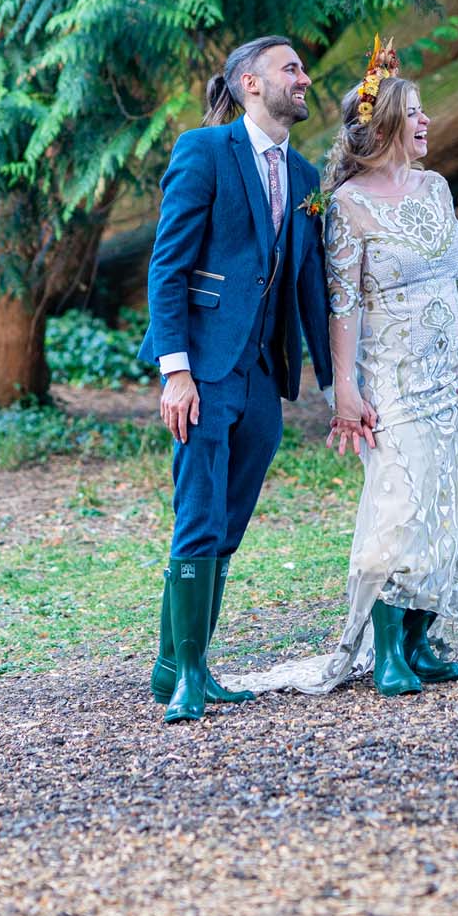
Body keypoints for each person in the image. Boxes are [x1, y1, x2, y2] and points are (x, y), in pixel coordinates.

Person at [225, 40, 458, 698]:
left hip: (452, 370)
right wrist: (344, 385)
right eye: (415, 112)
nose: (427, 122)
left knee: (445, 501)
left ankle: (417, 638)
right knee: (399, 505)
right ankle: (384, 647)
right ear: (385, 125)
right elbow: (341, 303)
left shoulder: (435, 188)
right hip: (394, 374)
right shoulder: (346, 205)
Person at [137, 36, 335, 723]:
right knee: (196, 515)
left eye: (302, 68)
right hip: (201, 368)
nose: (304, 78)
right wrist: (176, 372)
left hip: (260, 374)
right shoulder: (204, 150)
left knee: (229, 522)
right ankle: (189, 677)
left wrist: (335, 387)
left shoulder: (306, 176)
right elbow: (167, 266)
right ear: (251, 82)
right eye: (292, 68)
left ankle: (174, 663)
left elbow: (309, 285)